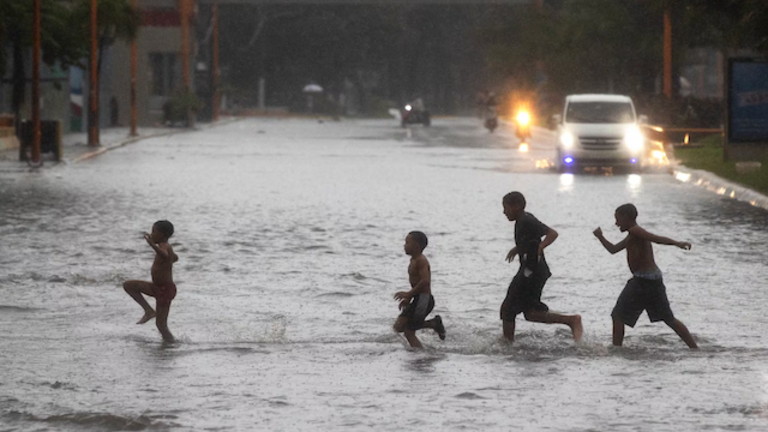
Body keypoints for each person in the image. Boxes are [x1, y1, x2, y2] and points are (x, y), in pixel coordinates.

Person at [593, 203, 698, 349]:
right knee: (668, 318)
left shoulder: (636, 231)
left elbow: (655, 238)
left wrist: (677, 243)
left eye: (618, 219)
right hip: (652, 280)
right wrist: (600, 237)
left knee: (618, 315)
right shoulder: (632, 235)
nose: (616, 223)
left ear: (626, 217)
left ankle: (616, 350)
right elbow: (613, 249)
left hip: (643, 280)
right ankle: (694, 348)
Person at [500, 192, 583, 342]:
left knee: (508, 309)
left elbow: (552, 233)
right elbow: (529, 240)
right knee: (531, 313)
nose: (504, 212)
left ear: (516, 207)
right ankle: (571, 321)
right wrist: (518, 248)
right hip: (533, 271)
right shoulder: (522, 220)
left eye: (506, 208)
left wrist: (541, 247)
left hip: (532, 272)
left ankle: (506, 344)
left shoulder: (527, 220)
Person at [123, 220, 178, 342]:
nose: (151, 234)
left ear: (162, 235)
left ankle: (170, 345)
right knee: (129, 285)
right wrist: (169, 261)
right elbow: (175, 258)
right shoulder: (165, 247)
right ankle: (148, 310)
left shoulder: (164, 246)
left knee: (161, 325)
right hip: (156, 287)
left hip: (165, 290)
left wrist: (152, 245)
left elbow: (164, 255)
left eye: (154, 232)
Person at [393, 231, 446, 348]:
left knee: (409, 331)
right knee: (398, 326)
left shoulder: (421, 260)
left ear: (416, 245)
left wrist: (408, 294)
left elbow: (425, 281)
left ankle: (420, 358)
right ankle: (433, 323)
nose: (404, 245)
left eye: (407, 243)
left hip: (424, 299)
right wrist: (410, 298)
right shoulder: (413, 260)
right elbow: (417, 282)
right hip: (417, 298)